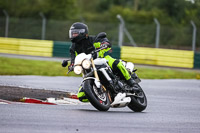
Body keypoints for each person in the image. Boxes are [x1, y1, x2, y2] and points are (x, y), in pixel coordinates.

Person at [67, 22, 138, 102]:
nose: (73, 35)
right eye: (72, 33)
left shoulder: (92, 40)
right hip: (88, 67)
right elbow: (73, 59)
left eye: (75, 33)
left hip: (101, 60)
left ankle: (131, 83)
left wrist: (105, 43)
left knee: (116, 64)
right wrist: (72, 65)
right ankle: (101, 95)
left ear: (83, 33)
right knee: (81, 96)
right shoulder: (73, 47)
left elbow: (103, 40)